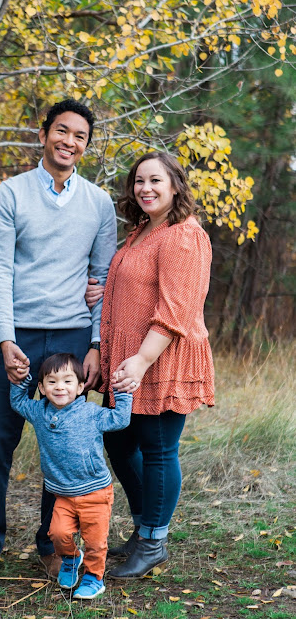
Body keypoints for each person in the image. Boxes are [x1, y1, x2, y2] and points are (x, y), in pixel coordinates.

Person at [0, 99, 117, 578]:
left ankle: (52, 544)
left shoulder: (98, 203)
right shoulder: (10, 194)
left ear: (86, 146)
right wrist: (5, 341)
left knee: (66, 446)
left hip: (72, 335)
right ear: (43, 134)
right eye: (62, 131)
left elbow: (102, 279)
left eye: (80, 136)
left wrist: (95, 344)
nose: (69, 141)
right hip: (19, 335)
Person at [99, 151, 215, 579]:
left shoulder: (183, 235)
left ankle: (153, 541)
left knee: (158, 448)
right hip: (128, 359)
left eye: (155, 181)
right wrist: (104, 291)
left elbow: (176, 310)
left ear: (175, 186)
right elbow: (135, 286)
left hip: (160, 357)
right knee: (118, 442)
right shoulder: (143, 230)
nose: (145, 188)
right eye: (139, 181)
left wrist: (143, 360)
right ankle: (145, 525)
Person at [9, 353, 132, 598]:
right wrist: (21, 380)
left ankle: (94, 578)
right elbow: (18, 402)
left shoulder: (90, 413)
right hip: (62, 494)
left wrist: (123, 393)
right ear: (42, 388)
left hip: (95, 492)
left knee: (95, 542)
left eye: (67, 381)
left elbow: (120, 419)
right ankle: (71, 558)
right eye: (52, 382)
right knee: (57, 533)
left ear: (80, 387)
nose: (59, 387)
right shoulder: (39, 412)